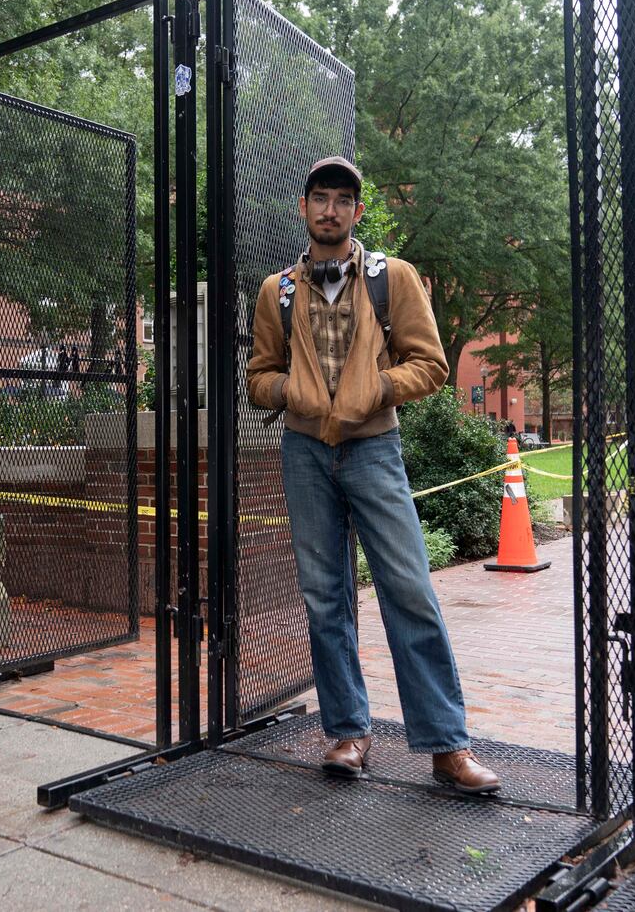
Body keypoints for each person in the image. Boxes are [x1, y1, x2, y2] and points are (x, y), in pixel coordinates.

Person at [246, 155, 500, 794]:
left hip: (374, 451)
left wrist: (375, 387)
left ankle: (446, 746)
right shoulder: (276, 290)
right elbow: (256, 378)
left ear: (357, 212)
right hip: (305, 454)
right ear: (303, 209)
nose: (330, 209)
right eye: (319, 198)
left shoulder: (395, 278)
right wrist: (294, 392)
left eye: (342, 200)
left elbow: (432, 364)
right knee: (324, 596)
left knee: (409, 589)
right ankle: (347, 733)